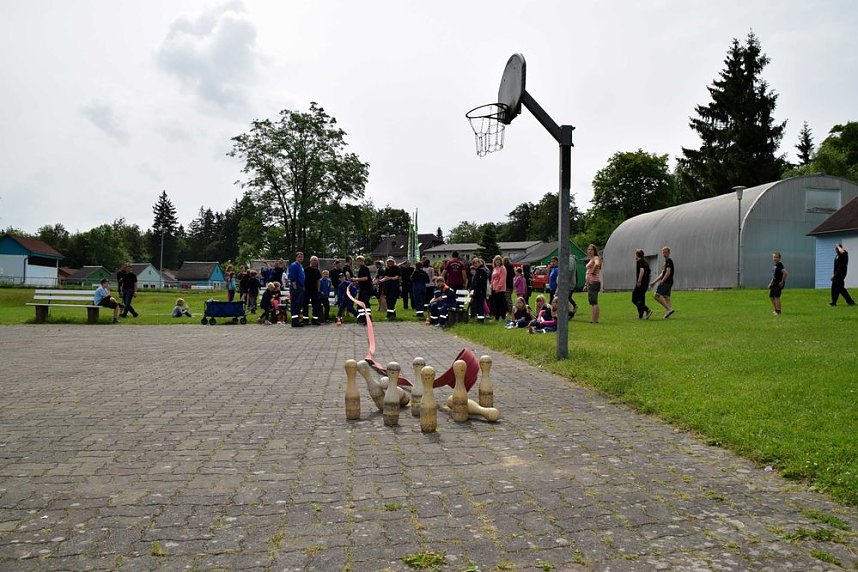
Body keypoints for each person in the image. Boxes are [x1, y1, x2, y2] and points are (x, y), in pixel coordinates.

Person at [650, 246, 675, 319]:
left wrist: (663, 281)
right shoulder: (665, 262)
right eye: (663, 252)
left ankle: (669, 309)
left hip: (667, 282)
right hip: (668, 282)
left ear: (669, 253)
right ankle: (669, 313)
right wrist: (654, 282)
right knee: (666, 297)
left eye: (666, 252)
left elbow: (668, 272)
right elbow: (662, 273)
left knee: (656, 295)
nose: (664, 254)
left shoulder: (669, 261)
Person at [632, 249, 653, 319]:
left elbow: (642, 271)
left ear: (637, 255)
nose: (635, 256)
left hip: (641, 283)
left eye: (635, 254)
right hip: (645, 283)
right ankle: (641, 315)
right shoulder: (646, 262)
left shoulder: (639, 261)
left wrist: (639, 281)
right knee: (641, 299)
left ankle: (647, 310)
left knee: (634, 298)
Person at [584, 244, 602, 324]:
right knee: (592, 302)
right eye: (588, 249)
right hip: (590, 282)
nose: (589, 251)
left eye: (591, 249)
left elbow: (597, 264)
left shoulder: (595, 258)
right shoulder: (591, 259)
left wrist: (593, 272)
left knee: (594, 301)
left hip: (594, 282)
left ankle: (594, 320)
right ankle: (594, 319)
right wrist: (586, 284)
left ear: (594, 251)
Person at [354, 256, 374, 324]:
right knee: (360, 304)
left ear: (363, 261)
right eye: (358, 261)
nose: (359, 262)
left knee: (365, 303)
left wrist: (356, 279)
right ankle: (362, 318)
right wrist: (356, 282)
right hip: (363, 289)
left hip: (366, 289)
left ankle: (367, 318)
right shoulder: (361, 269)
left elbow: (365, 278)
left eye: (360, 261)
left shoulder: (364, 268)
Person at [303, 255, 322, 326]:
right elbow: (303, 279)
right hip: (307, 290)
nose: (315, 262)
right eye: (314, 260)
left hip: (314, 290)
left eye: (316, 261)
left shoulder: (317, 271)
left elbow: (318, 280)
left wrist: (318, 289)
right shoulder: (306, 270)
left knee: (316, 305)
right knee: (305, 305)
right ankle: (305, 320)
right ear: (310, 261)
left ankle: (315, 320)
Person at [288, 252, 305, 327]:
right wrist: (295, 287)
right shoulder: (294, 265)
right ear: (296, 257)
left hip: (301, 287)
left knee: (299, 305)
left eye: (302, 256)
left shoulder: (300, 266)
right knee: (295, 304)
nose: (301, 258)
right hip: (296, 287)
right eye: (299, 256)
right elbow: (292, 277)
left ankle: (297, 320)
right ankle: (294, 321)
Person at [469, 258, 489, 324]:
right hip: (476, 292)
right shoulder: (477, 271)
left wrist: (476, 289)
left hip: (480, 291)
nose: (475, 265)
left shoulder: (482, 271)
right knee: (476, 306)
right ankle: (478, 319)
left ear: (479, 263)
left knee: (480, 306)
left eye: (476, 263)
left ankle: (481, 320)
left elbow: (480, 283)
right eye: (474, 263)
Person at [768, 251, 787, 315]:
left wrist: (782, 282)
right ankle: (776, 309)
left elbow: (785, 273)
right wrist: (770, 283)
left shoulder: (779, 264)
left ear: (779, 258)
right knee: (771, 296)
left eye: (776, 257)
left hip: (778, 283)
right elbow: (774, 276)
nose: (775, 258)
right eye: (774, 257)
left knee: (776, 297)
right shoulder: (775, 265)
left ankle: (778, 311)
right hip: (774, 282)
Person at [489, 255, 507, 322]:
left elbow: (502, 279)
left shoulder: (503, 268)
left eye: (499, 260)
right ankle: (496, 316)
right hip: (494, 288)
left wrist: (498, 288)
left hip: (500, 289)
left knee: (501, 303)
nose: (497, 261)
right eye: (496, 260)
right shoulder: (494, 268)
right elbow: (492, 278)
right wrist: (491, 287)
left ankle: (501, 316)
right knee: (495, 303)